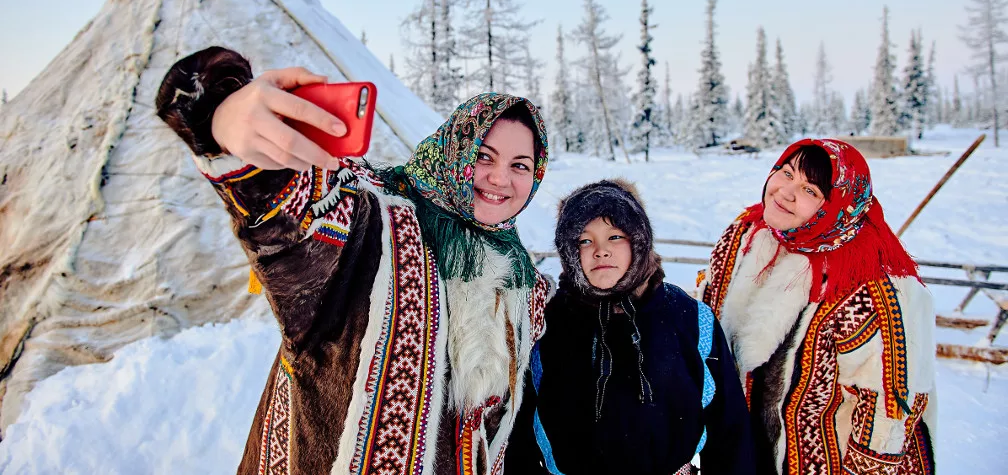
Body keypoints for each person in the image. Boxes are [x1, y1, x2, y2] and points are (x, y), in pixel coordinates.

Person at [155, 47, 552, 475]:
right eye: (484, 156)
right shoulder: (375, 229)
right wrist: (221, 114)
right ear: (456, 148)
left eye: (520, 165)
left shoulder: (522, 285)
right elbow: (292, 214)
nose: (500, 178)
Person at [697, 138, 937, 474]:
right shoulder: (745, 237)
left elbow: (888, 404)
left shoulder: (868, 282)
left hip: (824, 462)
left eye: (810, 190)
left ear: (837, 203)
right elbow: (703, 318)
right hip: (735, 449)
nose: (785, 192)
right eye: (785, 173)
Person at [505, 179, 755, 475]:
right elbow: (517, 436)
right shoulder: (546, 322)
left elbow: (730, 430)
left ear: (639, 239)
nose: (600, 251)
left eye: (615, 236)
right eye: (584, 240)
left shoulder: (688, 317)